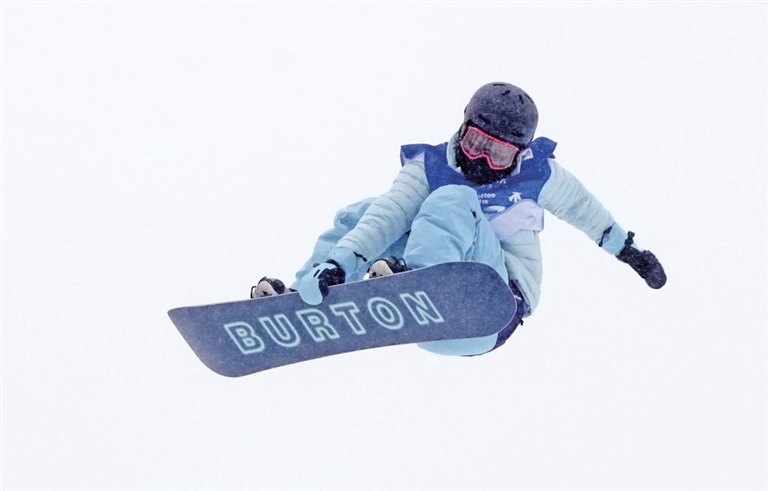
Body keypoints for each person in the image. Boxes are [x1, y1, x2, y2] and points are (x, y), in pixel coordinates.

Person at [251, 82, 666, 356]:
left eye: (498, 153)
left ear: (519, 153)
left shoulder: (539, 175)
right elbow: (385, 217)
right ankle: (308, 295)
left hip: (495, 306)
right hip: (434, 323)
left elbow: (586, 212)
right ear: (461, 128)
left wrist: (630, 253)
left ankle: (417, 282)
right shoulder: (429, 167)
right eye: (475, 143)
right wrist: (339, 263)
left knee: (454, 198)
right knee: (361, 213)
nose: (482, 160)